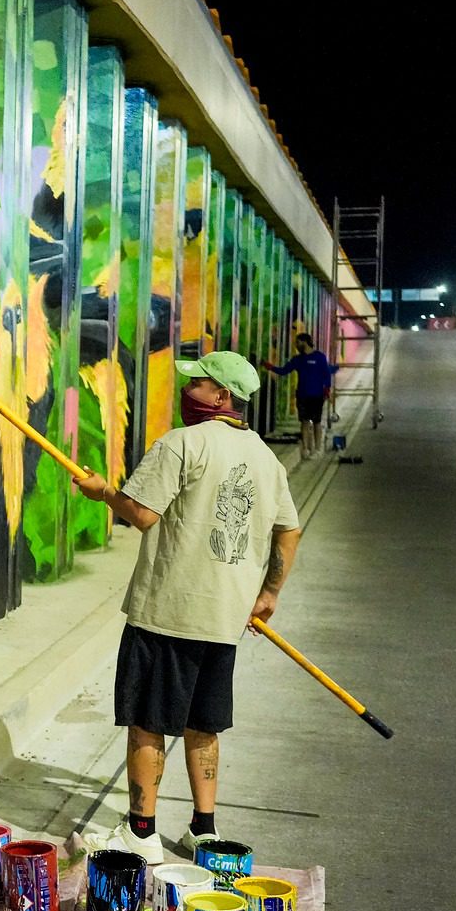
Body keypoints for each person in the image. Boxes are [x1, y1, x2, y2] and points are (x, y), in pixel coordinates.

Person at [73, 351, 301, 864]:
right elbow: (290, 529)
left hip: (169, 613)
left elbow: (142, 514)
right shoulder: (265, 458)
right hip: (224, 620)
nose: (186, 391)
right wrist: (268, 595)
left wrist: (101, 491)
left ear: (222, 397)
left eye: (196, 384)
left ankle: (141, 832)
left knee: (147, 722)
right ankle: (204, 829)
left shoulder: (180, 443)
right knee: (204, 725)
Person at [263, 332, 339, 460]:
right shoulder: (297, 360)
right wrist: (269, 366)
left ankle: (317, 449)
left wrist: (327, 391)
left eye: (298, 342)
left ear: (305, 342)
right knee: (304, 422)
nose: (296, 345)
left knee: (316, 422)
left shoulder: (319, 357)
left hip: (317, 396)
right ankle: (306, 449)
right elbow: (283, 371)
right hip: (302, 395)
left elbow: (326, 375)